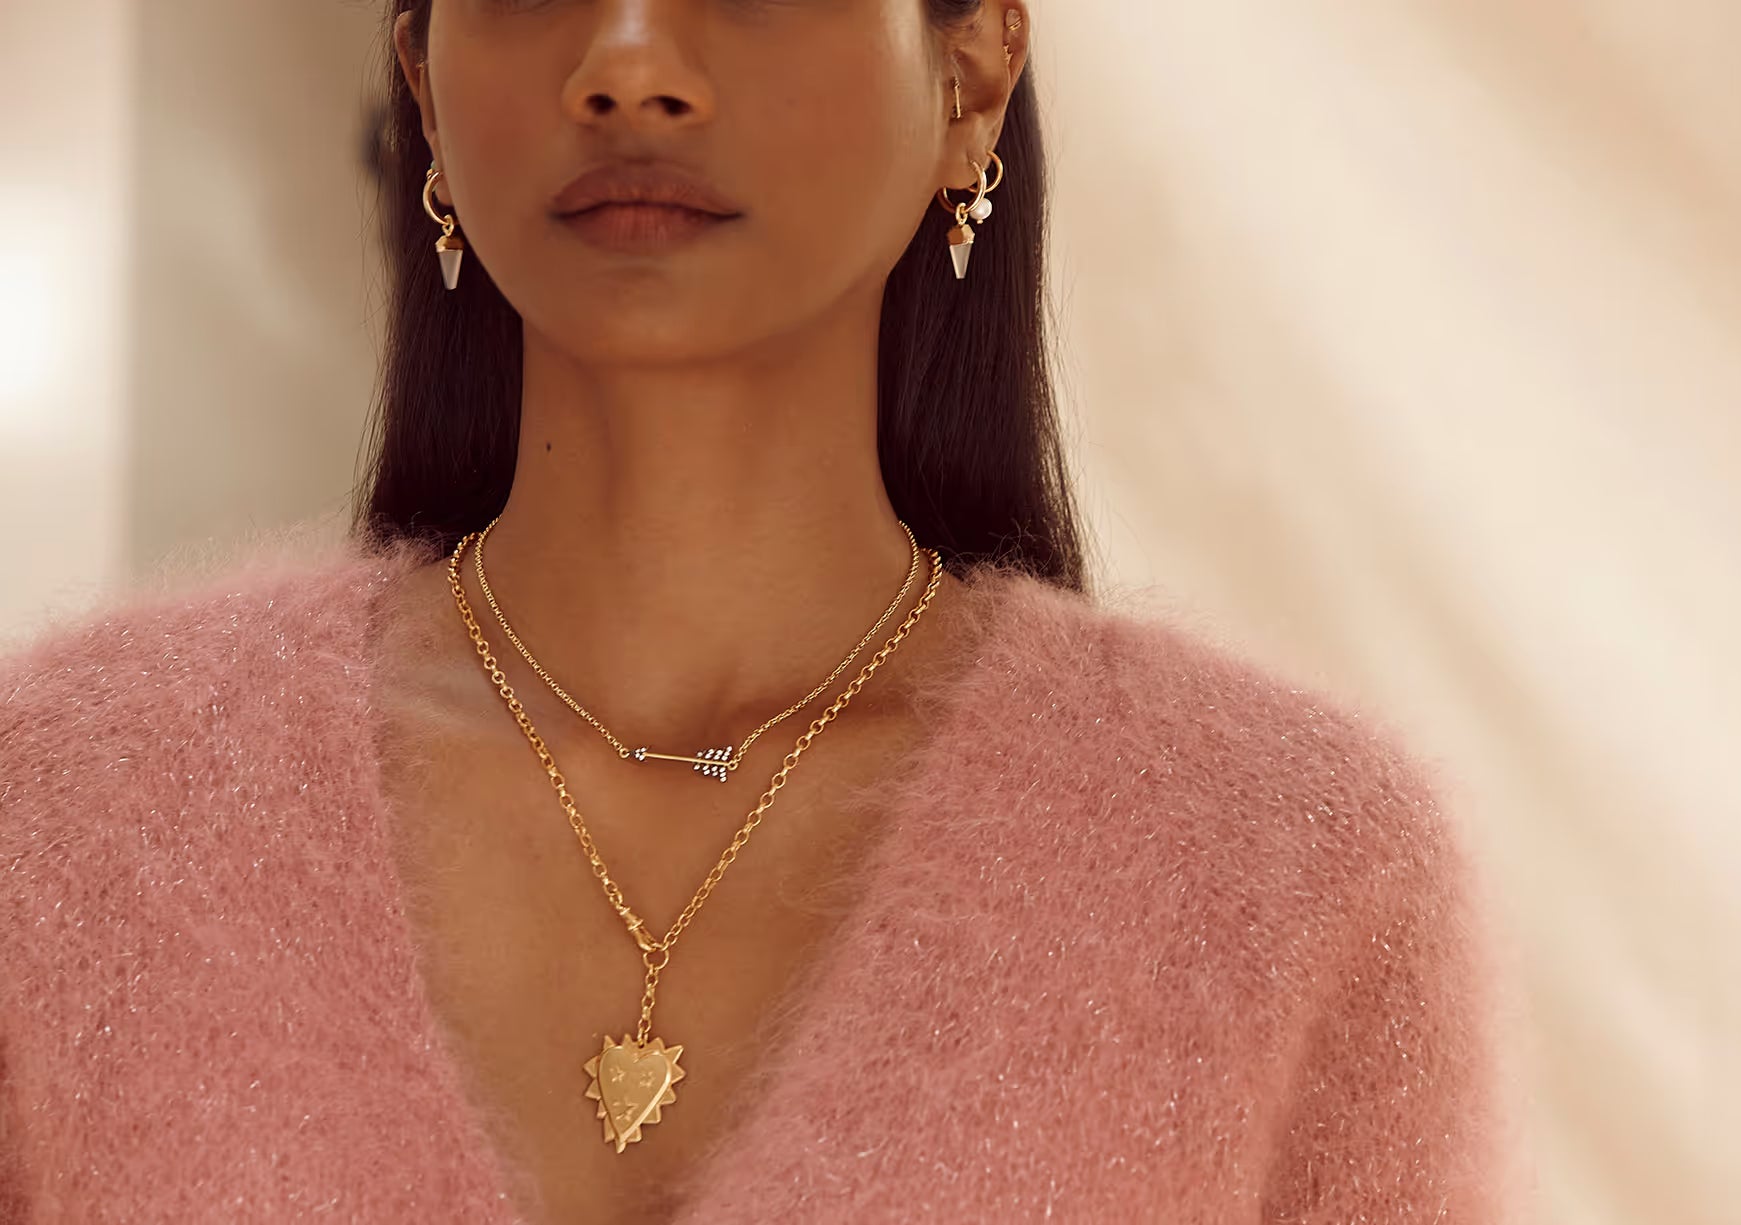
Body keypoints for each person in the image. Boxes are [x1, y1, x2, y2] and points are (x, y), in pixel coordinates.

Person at [0, 2, 1520, 1221]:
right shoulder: (70, 808)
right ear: (425, 84)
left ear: (974, 70)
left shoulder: (1282, 874)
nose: (627, 63)